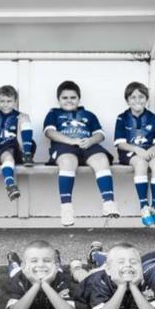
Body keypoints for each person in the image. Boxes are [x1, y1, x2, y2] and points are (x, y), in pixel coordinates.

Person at [44, 80, 118, 226]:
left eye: (73, 97)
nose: (69, 101)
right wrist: (70, 141)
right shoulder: (54, 113)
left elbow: (100, 134)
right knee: (68, 161)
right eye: (65, 98)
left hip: (86, 145)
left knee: (101, 159)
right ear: (58, 99)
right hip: (64, 147)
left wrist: (91, 140)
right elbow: (49, 132)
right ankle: (66, 208)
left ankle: (108, 202)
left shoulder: (88, 115)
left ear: (79, 99)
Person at [114, 82, 155, 227]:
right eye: (133, 97)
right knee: (141, 164)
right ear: (127, 100)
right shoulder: (122, 118)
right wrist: (138, 150)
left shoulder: (153, 118)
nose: (137, 100)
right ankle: (144, 206)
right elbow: (120, 143)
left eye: (141, 97)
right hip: (130, 153)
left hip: (149, 151)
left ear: (147, 99)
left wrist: (153, 150)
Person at [73, 243, 155, 309]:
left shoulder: (143, 281)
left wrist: (133, 286)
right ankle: (76, 266)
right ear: (108, 270)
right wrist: (122, 286)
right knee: (83, 276)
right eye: (121, 262)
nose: (128, 265)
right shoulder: (99, 282)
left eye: (134, 262)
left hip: (110, 270)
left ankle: (98, 255)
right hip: (94, 279)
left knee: (103, 266)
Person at [0, 85, 36, 202]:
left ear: (15, 101)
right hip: (2, 150)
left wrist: (20, 122)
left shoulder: (18, 115)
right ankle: (10, 185)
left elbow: (21, 137)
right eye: (2, 101)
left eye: (9, 101)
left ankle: (27, 154)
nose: (5, 104)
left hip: (19, 148)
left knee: (25, 118)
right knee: (7, 155)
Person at [5, 240, 75, 309]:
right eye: (34, 261)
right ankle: (13, 261)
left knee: (60, 269)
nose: (41, 265)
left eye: (47, 260)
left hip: (56, 269)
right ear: (24, 266)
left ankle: (57, 258)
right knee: (13, 270)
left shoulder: (62, 278)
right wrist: (36, 284)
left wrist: (46, 285)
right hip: (21, 271)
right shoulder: (19, 278)